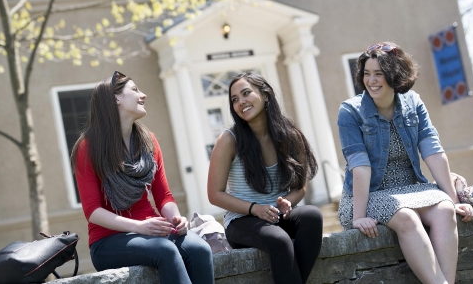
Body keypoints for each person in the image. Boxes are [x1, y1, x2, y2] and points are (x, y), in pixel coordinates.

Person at [337, 42, 473, 284]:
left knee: (444, 210)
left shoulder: (413, 102)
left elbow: (432, 150)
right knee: (407, 218)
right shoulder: (350, 111)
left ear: (395, 74)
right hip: (369, 193)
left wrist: (453, 201)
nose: (371, 81)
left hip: (412, 187)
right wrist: (358, 217)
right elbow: (359, 165)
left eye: (378, 74)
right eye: (366, 74)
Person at [71, 71, 214, 284]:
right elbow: (93, 211)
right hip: (108, 241)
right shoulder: (88, 147)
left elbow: (163, 196)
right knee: (165, 249)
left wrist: (176, 219)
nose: (143, 95)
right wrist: (138, 227)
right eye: (135, 90)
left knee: (199, 248)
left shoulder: (149, 142)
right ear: (115, 98)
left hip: (152, 232)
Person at [207, 72, 323, 284]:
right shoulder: (229, 139)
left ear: (266, 95)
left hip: (276, 215)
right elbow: (215, 194)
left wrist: (288, 203)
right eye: (234, 99)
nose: (241, 102)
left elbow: (300, 187)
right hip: (242, 220)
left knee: (313, 215)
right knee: (279, 239)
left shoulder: (290, 135)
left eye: (246, 93)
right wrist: (255, 208)